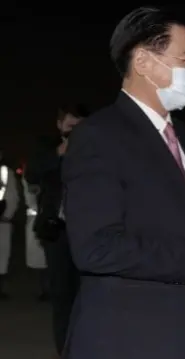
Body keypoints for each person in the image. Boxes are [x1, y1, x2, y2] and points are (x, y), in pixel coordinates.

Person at [60, 7, 185, 359]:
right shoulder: (99, 135)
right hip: (127, 339)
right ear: (144, 62)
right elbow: (95, 247)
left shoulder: (184, 138)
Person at [25, 103, 84, 355]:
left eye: (80, 127)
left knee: (86, 296)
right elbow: (32, 174)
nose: (74, 132)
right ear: (60, 125)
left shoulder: (95, 151)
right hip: (56, 232)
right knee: (62, 296)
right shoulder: (47, 148)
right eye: (70, 126)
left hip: (86, 233)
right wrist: (59, 153)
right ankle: (66, 350)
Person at [22, 175, 49, 300]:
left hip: (45, 219)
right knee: (39, 260)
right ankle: (43, 289)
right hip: (36, 220)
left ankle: (47, 289)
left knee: (46, 258)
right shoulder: (30, 177)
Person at [0, 152, 19, 299]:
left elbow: (12, 196)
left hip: (2, 220)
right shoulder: (7, 172)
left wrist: (7, 215)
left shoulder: (6, 173)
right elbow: (13, 196)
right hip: (3, 220)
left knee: (2, 254)